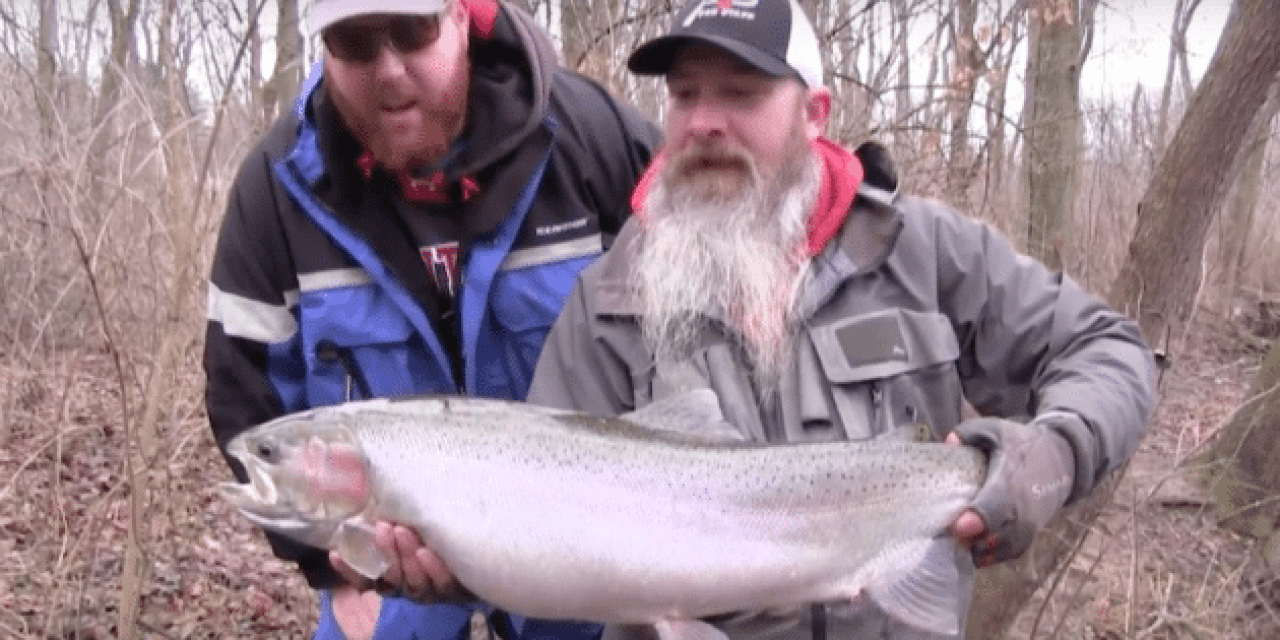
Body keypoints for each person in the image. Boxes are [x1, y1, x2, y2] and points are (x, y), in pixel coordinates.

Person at [334, 0, 1155, 638]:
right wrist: (455, 561)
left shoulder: (924, 251)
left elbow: (1112, 351)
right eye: (685, 93)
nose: (703, 122)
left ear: (816, 112)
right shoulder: (609, 302)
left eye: (742, 92)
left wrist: (1047, 454)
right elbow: (546, 549)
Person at [202, 0, 660, 637]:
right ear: (323, 48)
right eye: (356, 42)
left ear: (462, 17)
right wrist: (329, 567)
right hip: (377, 568)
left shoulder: (591, 137)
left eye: (413, 32)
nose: (388, 69)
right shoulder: (275, 191)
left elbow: (714, 300)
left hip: (587, 554)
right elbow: (244, 395)